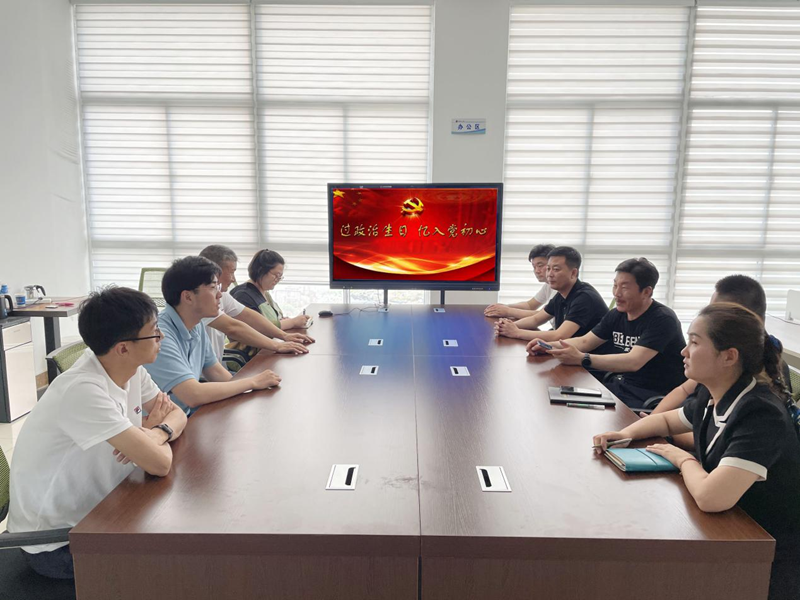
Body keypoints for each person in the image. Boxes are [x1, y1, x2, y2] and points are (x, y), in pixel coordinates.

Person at [593, 303, 800, 600]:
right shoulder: (712, 392)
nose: (683, 351)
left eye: (694, 342)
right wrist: (625, 434)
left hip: (763, 557)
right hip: (726, 532)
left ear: (729, 356)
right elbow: (667, 420)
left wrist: (682, 458)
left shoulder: (759, 413)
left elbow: (711, 497)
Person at [7, 287, 188, 579]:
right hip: (58, 544)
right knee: (175, 569)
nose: (161, 337)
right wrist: (149, 438)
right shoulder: (82, 390)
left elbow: (177, 413)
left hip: (103, 510)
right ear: (123, 348)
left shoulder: (131, 369)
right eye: (154, 332)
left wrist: (156, 433)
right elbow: (160, 464)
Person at [531, 257, 685, 409]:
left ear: (646, 292)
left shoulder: (663, 319)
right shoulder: (617, 314)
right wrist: (548, 346)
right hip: (623, 386)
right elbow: (585, 342)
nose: (617, 293)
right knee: (558, 397)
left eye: (624, 287)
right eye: (615, 285)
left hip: (651, 397)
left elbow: (633, 361)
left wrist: (582, 358)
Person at [144, 256, 282, 416]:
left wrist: (254, 387)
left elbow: (216, 372)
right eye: (212, 287)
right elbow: (192, 394)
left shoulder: (196, 325)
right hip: (159, 424)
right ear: (188, 297)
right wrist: (252, 382)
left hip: (185, 416)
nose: (219, 295)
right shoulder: (160, 336)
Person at [198, 245, 312, 362]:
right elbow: (233, 328)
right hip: (207, 370)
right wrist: (277, 345)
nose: (233, 279)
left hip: (214, 365)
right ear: (214, 273)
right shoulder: (202, 300)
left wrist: (284, 336)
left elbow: (248, 315)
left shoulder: (223, 296)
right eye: (232, 272)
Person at [493, 247, 608, 347]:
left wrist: (516, 332)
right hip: (569, 351)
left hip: (592, 358)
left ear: (573, 273)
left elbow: (560, 335)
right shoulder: (561, 294)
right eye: (548, 269)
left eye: (556, 269)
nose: (550, 274)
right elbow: (536, 319)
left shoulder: (584, 297)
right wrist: (508, 326)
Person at [230, 249, 311, 330]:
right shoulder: (243, 295)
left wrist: (285, 321)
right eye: (276, 275)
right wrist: (291, 322)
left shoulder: (264, 292)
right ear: (260, 271)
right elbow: (256, 327)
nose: (278, 279)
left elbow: (272, 320)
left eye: (280, 276)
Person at [484, 244, 556, 318]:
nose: (537, 271)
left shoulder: (559, 288)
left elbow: (542, 315)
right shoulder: (548, 285)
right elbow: (530, 305)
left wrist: (508, 311)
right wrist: (504, 306)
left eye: (540, 266)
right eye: (534, 267)